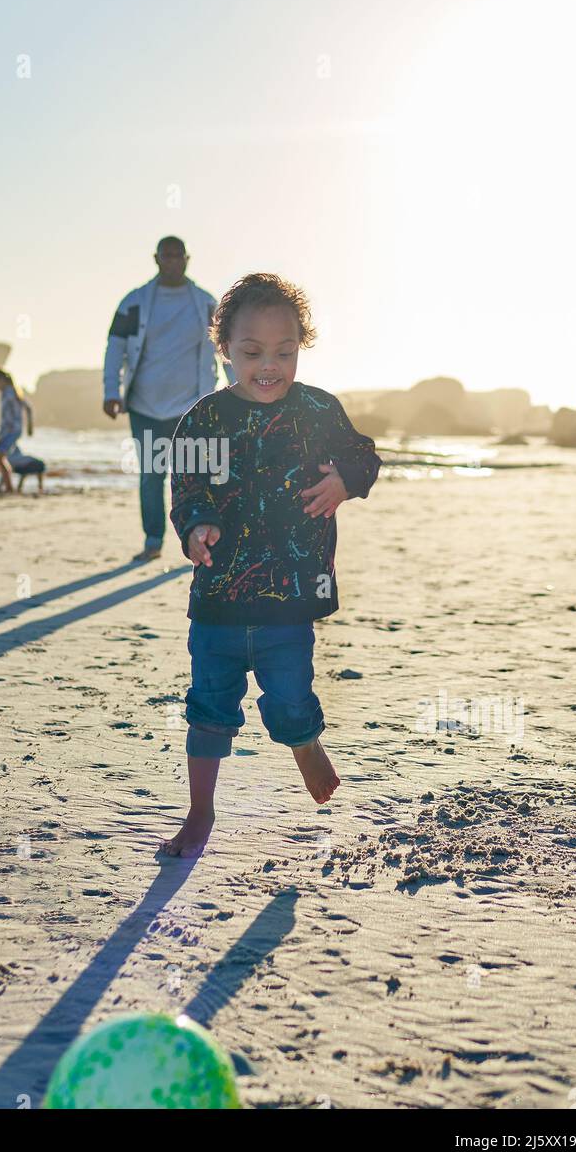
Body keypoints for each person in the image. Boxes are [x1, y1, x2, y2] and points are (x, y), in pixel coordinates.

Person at [161, 273, 381, 858]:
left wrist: (344, 481)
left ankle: (303, 743)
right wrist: (197, 525)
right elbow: (186, 487)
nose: (269, 365)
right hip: (219, 598)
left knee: (290, 697)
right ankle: (200, 812)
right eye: (252, 352)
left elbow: (364, 454)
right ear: (225, 349)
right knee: (209, 707)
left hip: (290, 596)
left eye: (285, 352)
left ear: (300, 347)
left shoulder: (316, 410)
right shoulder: (205, 420)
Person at [102, 236, 234, 562]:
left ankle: (203, 539)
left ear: (187, 259)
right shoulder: (134, 302)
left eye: (178, 256)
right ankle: (153, 541)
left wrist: (239, 392)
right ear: (156, 259)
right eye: (167, 256)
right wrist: (110, 391)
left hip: (193, 408)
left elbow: (228, 352)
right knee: (151, 475)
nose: (173, 261)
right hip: (144, 406)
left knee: (199, 473)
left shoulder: (205, 304)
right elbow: (114, 348)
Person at [0, 368, 34, 495]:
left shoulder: (8, 393)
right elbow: (28, 408)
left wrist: (0, 435)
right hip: (15, 430)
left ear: (1, 380)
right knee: (1, 460)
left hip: (10, 431)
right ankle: (9, 487)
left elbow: (6, 419)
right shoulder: (15, 391)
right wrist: (29, 426)